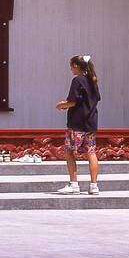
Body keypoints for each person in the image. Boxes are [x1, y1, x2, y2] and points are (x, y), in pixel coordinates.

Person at [55, 54, 101, 194]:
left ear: (76, 66)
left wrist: (61, 105)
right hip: (91, 122)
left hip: (77, 122)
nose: (70, 69)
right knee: (91, 152)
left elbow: (72, 102)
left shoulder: (77, 80)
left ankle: (73, 184)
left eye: (71, 66)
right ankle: (94, 186)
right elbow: (95, 99)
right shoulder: (92, 80)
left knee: (69, 151)